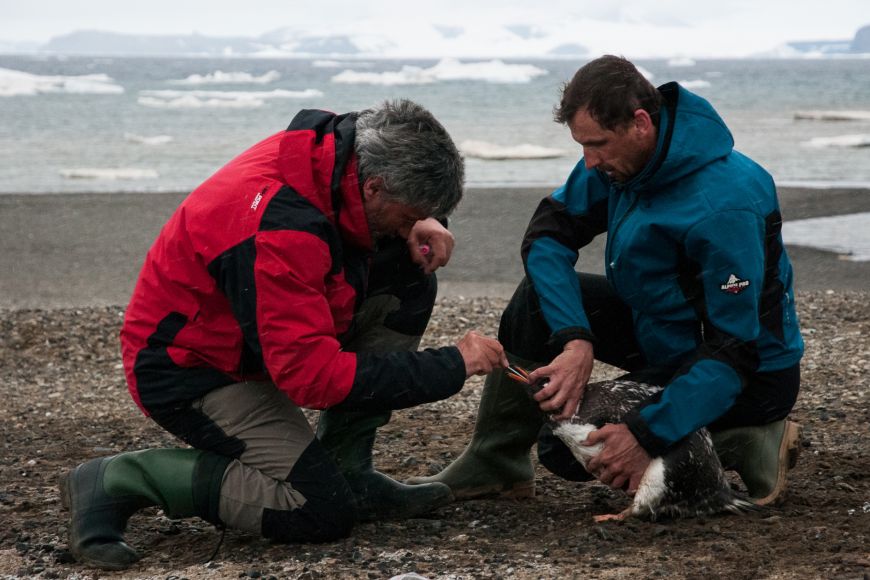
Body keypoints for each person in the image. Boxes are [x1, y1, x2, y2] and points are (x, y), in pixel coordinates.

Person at [60, 99, 508, 570]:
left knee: (411, 266)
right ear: (374, 187)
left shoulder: (340, 153)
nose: (412, 219)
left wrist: (420, 220)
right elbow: (310, 379)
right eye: (408, 209)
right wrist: (453, 364)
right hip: (193, 368)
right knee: (314, 508)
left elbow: (377, 210)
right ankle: (120, 478)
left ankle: (349, 469)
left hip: (257, 338)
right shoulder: (281, 229)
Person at [409, 55, 804, 506]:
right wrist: (576, 341)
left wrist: (644, 434)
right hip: (664, 335)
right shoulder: (624, 162)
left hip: (749, 371)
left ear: (639, 123)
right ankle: (496, 463)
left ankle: (749, 438)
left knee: (566, 448)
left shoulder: (722, 206)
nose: (589, 162)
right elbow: (548, 236)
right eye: (581, 145)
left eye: (596, 144)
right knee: (535, 300)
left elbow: (735, 348)